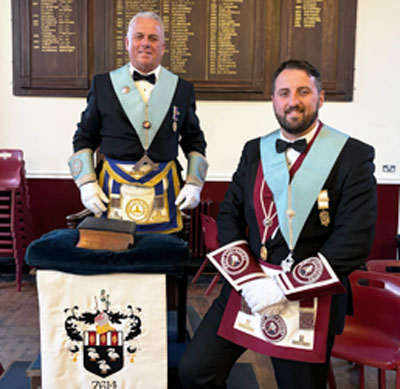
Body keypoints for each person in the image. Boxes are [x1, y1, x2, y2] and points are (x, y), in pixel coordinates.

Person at [178, 59, 377, 388]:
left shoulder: (352, 156)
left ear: (320, 98)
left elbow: (355, 240)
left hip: (310, 297)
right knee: (196, 371)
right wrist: (250, 281)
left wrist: (281, 287)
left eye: (303, 91)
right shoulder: (255, 150)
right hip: (251, 286)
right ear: (273, 100)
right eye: (284, 93)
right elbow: (229, 215)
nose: (293, 101)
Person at [68, 12, 207, 234]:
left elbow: (194, 140)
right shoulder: (103, 85)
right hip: (111, 191)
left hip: (165, 190)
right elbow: (84, 136)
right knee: (113, 262)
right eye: (139, 36)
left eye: (153, 38)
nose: (145, 43)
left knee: (163, 260)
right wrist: (86, 183)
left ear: (163, 46)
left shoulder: (182, 89)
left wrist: (194, 183)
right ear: (127, 43)